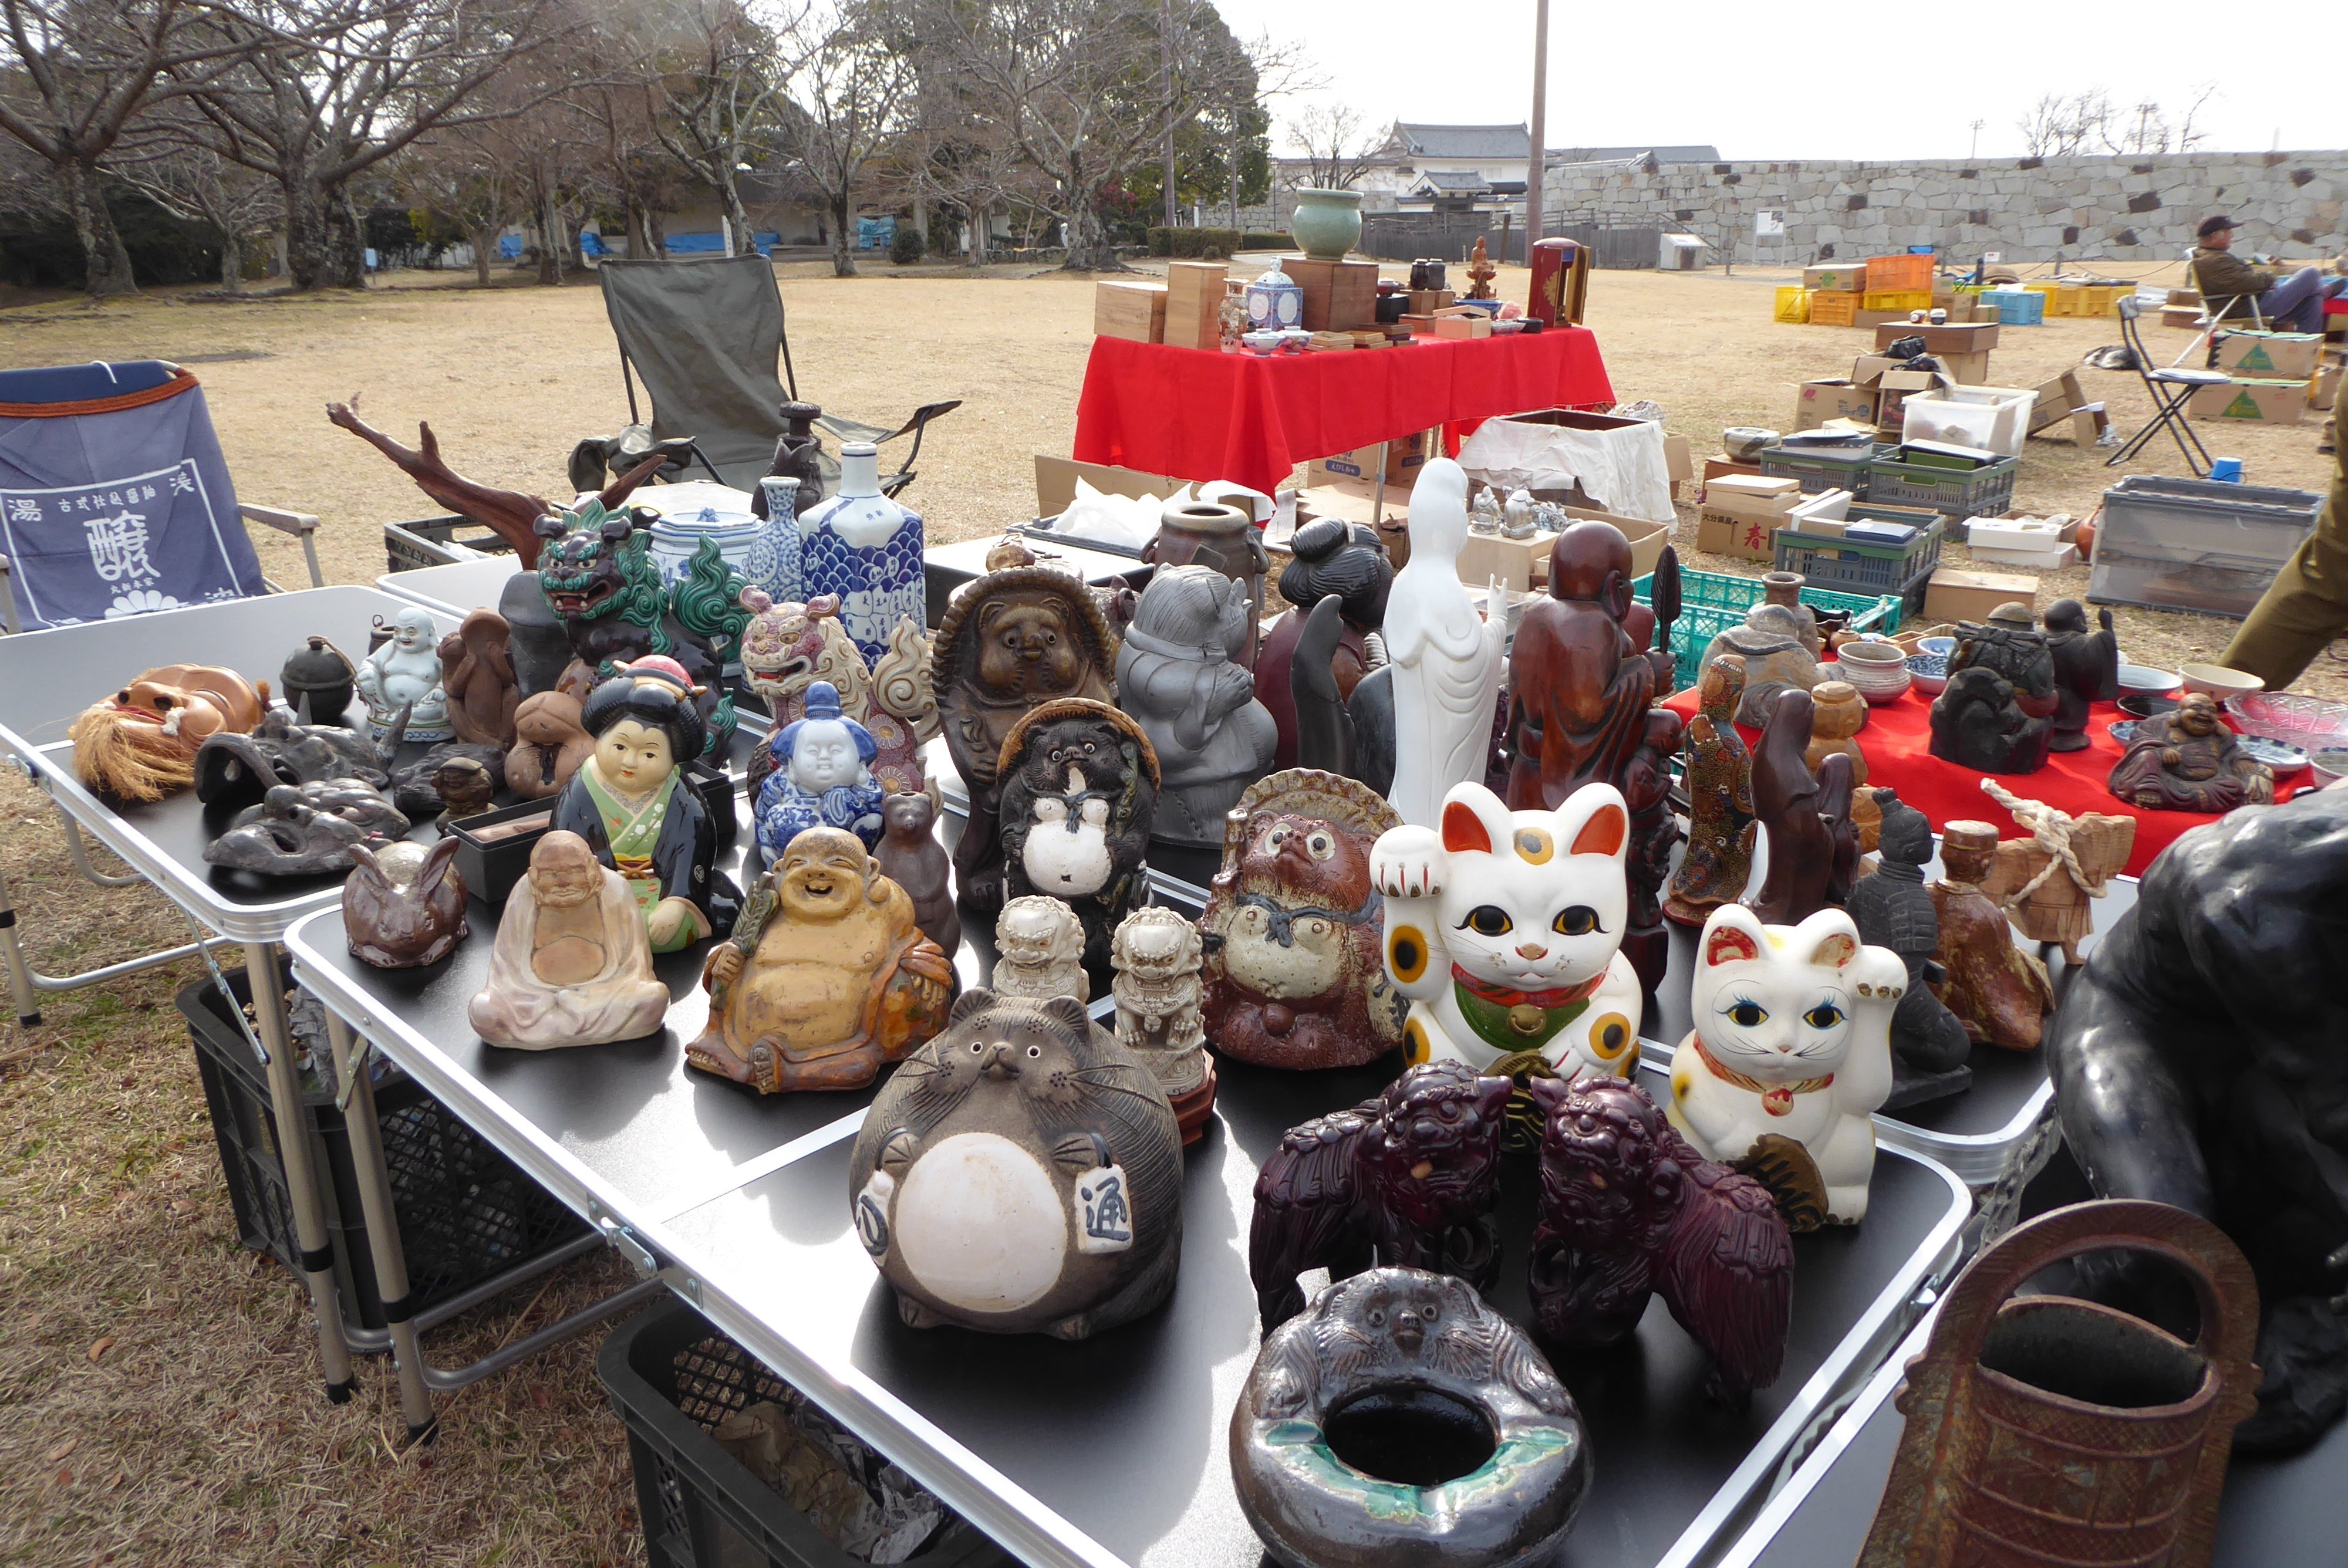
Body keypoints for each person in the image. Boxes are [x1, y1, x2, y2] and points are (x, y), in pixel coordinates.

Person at [2191, 215, 2328, 331]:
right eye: (2229, 232)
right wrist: (2271, 277)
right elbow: (2248, 283)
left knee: (2314, 300)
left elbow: (2241, 279)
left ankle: (2305, 351)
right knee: (2312, 274)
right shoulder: (2214, 260)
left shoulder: (2210, 256)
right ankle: (2322, 290)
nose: (2232, 236)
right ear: (2217, 236)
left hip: (2246, 304)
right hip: (2247, 308)